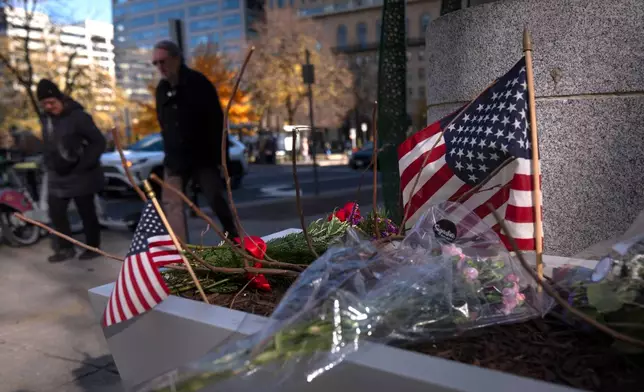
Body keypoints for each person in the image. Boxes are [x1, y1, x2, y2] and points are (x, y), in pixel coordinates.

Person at [152, 40, 238, 241]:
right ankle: (183, 251)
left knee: (215, 197)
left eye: (162, 61)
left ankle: (233, 236)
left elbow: (217, 123)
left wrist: (221, 159)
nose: (159, 67)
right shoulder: (161, 89)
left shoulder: (198, 83)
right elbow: (163, 124)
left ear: (176, 58)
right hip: (174, 158)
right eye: (155, 63)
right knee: (172, 203)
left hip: (202, 156)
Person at [37, 79, 106, 262]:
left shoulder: (78, 116)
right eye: (45, 104)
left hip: (80, 173)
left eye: (52, 102)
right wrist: (47, 162)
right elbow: (49, 144)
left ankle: (92, 247)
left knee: (86, 211)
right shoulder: (46, 119)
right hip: (57, 174)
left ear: (60, 99)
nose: (49, 106)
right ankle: (65, 248)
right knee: (56, 212)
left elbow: (98, 142)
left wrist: (85, 164)